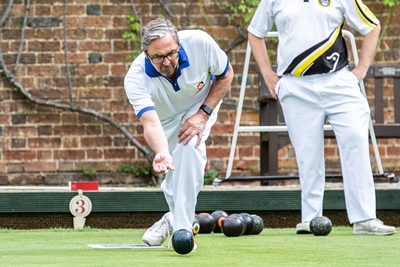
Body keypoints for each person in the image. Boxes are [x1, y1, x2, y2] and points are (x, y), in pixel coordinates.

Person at [248, 0, 396, 235]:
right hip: (295, 85)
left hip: (338, 81)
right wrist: (268, 74)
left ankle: (365, 219)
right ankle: (311, 219)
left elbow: (372, 26)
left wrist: (361, 71)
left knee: (355, 141)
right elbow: (255, 33)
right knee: (307, 154)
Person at [124, 17, 234, 249]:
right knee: (175, 168)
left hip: (200, 103)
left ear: (179, 44)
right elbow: (150, 123)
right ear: (146, 53)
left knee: (189, 144)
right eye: (158, 57)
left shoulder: (200, 43)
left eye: (172, 53)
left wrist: (203, 114)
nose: (167, 61)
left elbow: (226, 75)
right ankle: (171, 218)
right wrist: (162, 152)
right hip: (163, 118)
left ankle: (183, 229)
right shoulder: (135, 78)